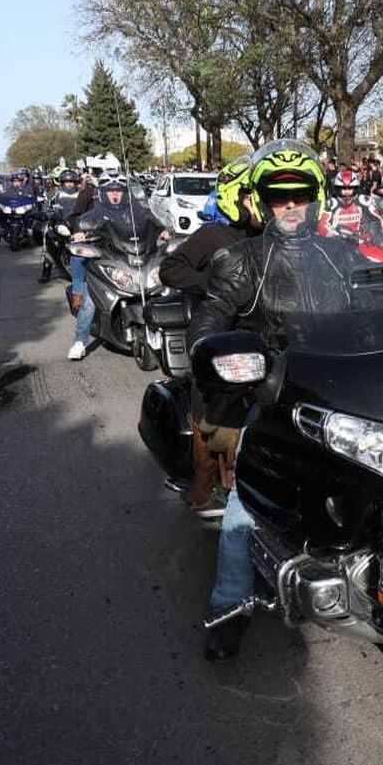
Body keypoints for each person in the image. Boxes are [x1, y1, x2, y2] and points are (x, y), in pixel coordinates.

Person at [187, 142, 339, 660]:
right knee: (243, 511)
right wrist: (234, 364)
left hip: (337, 393)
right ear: (261, 201)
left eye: (301, 195)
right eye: (279, 197)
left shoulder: (337, 256)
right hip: (271, 399)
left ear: (316, 199)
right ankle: (230, 604)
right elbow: (205, 329)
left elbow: (377, 306)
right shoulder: (240, 261)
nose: (291, 206)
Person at [158, 159, 255, 517]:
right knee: (208, 408)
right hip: (220, 336)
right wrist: (214, 284)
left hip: (266, 338)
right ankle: (206, 480)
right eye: (251, 196)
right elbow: (170, 269)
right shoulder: (213, 236)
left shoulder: (274, 238)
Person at [65, 176, 156, 361]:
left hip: (131, 258)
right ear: (104, 194)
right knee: (90, 301)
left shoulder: (135, 210)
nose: (115, 194)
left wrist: (161, 230)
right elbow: (79, 221)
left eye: (119, 191)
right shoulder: (97, 212)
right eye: (111, 191)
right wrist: (81, 232)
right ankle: (79, 342)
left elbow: (150, 220)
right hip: (106, 260)